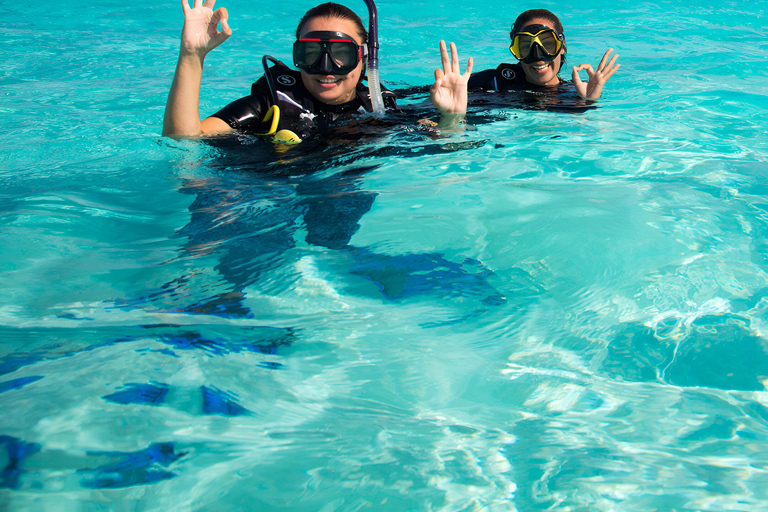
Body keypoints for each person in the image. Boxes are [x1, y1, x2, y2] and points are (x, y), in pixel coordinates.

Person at [162, 0, 397, 140]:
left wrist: (437, 120)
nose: (326, 69)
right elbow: (185, 141)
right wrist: (191, 57)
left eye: (341, 55)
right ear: (297, 56)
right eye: (312, 54)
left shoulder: (382, 107)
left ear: (365, 59)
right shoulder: (270, 104)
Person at [429, 9, 620, 116]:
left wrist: (590, 102)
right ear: (515, 51)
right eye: (526, 46)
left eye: (547, 44)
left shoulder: (575, 94)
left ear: (562, 47)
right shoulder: (492, 82)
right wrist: (451, 117)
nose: (538, 56)